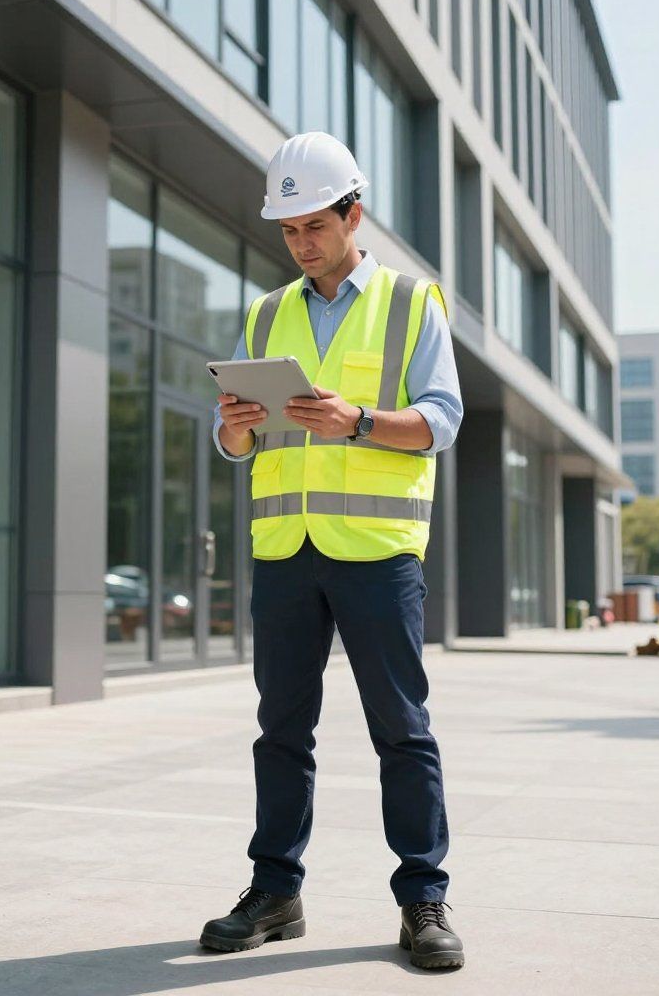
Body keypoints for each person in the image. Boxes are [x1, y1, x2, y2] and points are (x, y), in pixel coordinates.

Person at [198, 131, 465, 971]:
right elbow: (239, 443)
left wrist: (356, 421)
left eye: (314, 224)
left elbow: (441, 422)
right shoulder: (266, 312)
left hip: (377, 551)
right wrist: (233, 430)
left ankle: (423, 896)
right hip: (285, 550)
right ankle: (275, 891)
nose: (302, 242)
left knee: (402, 729)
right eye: (289, 230)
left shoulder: (414, 303)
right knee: (281, 727)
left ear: (355, 214)